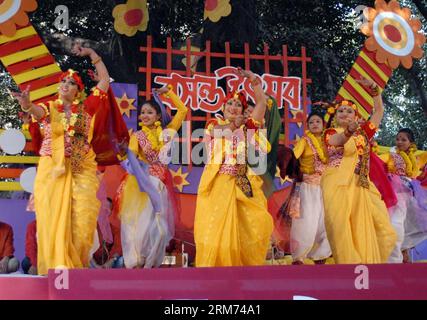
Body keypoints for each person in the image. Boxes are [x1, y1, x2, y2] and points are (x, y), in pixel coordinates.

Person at [12, 43, 129, 275]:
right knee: (52, 218)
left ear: (79, 90)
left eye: (72, 83)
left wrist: (94, 55)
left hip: (81, 169)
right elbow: (36, 111)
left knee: (83, 219)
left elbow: (104, 82)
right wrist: (26, 104)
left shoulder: (87, 108)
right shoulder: (49, 107)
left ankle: (75, 267)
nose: (66, 85)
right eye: (63, 81)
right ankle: (56, 267)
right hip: (51, 169)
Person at [194, 67, 274, 267]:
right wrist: (232, 126)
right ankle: (216, 274)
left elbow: (262, 103)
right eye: (229, 103)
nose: (233, 107)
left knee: (253, 224)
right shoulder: (214, 124)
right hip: (220, 183)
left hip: (243, 183)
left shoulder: (249, 126)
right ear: (223, 108)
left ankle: (243, 272)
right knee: (216, 231)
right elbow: (220, 132)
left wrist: (254, 80)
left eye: (238, 104)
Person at [321, 77, 396, 264]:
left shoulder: (363, 133)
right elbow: (336, 142)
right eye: (340, 111)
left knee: (384, 228)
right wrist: (348, 132)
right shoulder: (330, 133)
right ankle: (348, 267)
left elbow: (378, 111)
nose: (345, 113)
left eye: (349, 111)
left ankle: (369, 265)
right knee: (341, 228)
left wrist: (374, 90)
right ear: (335, 116)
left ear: (355, 116)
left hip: (361, 184)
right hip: (337, 183)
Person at [115, 85, 187, 268]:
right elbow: (131, 161)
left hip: (161, 183)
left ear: (158, 116)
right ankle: (137, 260)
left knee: (159, 226)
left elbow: (183, 110)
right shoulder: (137, 136)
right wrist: (124, 153)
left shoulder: (167, 132)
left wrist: (168, 92)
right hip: (143, 183)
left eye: (150, 112)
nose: (145, 115)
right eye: (143, 112)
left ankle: (152, 262)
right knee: (140, 224)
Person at [288, 111, 331, 265]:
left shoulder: (329, 142)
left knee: (327, 222)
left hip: (326, 188)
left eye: (317, 122)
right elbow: (293, 157)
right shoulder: (305, 141)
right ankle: (299, 257)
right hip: (308, 187)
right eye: (311, 122)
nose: (314, 124)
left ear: (323, 125)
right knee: (306, 222)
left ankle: (321, 255)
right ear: (307, 126)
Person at [380, 128, 427, 263]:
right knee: (395, 226)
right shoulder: (391, 156)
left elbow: (418, 175)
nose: (399, 142)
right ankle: (393, 261)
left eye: (403, 139)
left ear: (411, 143)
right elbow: (377, 161)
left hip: (413, 197)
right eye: (398, 139)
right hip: (396, 195)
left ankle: (402, 252)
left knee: (413, 227)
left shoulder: (415, 160)